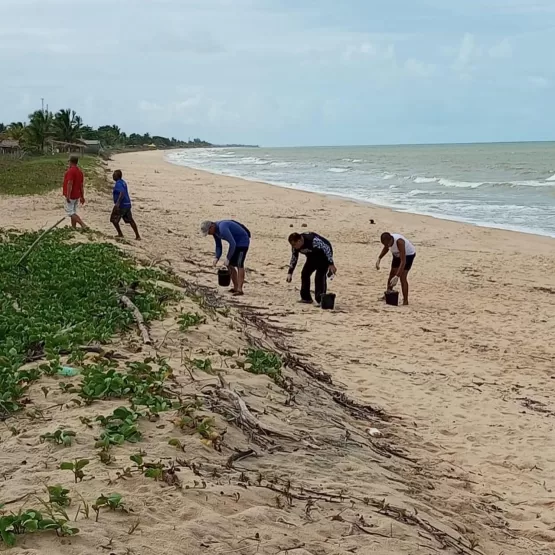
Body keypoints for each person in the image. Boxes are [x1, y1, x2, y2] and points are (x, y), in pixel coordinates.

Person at [201, 220, 251, 296]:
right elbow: (218, 245)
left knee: (239, 264)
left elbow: (232, 243)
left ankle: (240, 289)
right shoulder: (215, 232)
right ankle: (235, 287)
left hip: (242, 241)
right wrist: (217, 257)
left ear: (212, 227)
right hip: (235, 243)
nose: (209, 234)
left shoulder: (222, 228)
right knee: (230, 265)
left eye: (208, 232)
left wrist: (228, 258)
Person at [286, 232, 336, 305]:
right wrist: (290, 272)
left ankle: (321, 299)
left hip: (323, 256)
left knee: (319, 277)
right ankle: (306, 298)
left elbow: (327, 248)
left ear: (299, 241)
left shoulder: (313, 240)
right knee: (305, 273)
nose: (293, 247)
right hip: (312, 257)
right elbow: (294, 258)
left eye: (294, 245)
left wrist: (331, 263)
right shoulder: (295, 246)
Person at [376, 232, 416, 305]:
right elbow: (386, 248)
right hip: (396, 254)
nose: (387, 245)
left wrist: (397, 276)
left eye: (388, 244)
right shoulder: (387, 242)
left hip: (408, 255)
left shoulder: (399, 242)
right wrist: (379, 258)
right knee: (391, 274)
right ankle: (388, 294)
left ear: (391, 239)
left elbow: (403, 261)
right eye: (385, 244)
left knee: (402, 277)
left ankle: (405, 301)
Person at [110, 170, 141, 240]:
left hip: (122, 205)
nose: (113, 176)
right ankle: (137, 236)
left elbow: (122, 192)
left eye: (114, 175)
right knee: (130, 220)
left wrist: (117, 204)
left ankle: (120, 234)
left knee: (114, 219)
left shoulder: (118, 183)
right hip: (127, 204)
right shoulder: (123, 182)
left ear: (117, 176)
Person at [62, 155, 87, 229]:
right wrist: (82, 196)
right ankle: (74, 227)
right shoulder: (80, 172)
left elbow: (70, 183)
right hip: (77, 195)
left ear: (71, 162)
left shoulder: (70, 171)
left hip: (72, 195)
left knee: (70, 212)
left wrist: (68, 195)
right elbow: (81, 185)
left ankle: (82, 224)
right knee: (74, 212)